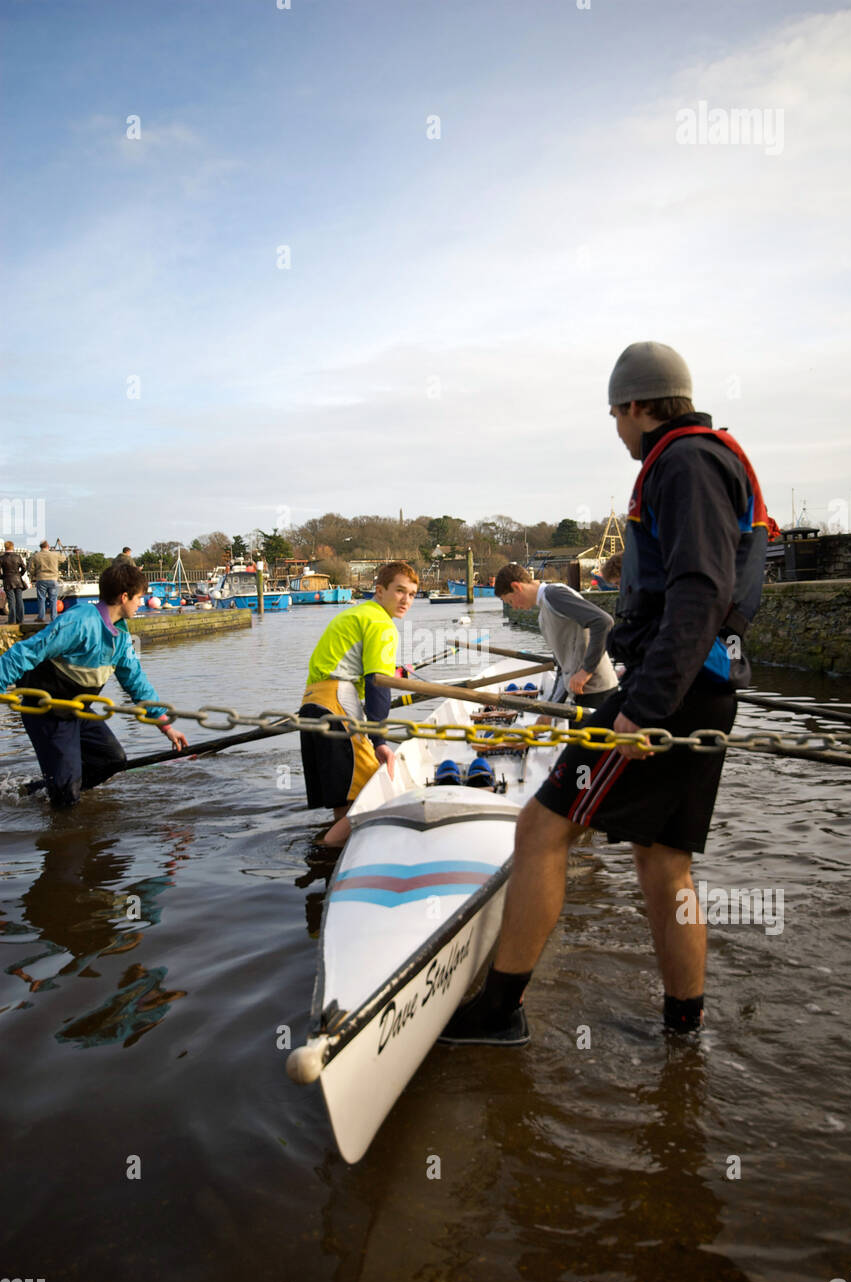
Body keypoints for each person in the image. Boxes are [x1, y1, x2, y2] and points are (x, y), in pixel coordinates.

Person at [440, 341, 770, 1046]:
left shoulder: (681, 461)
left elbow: (699, 591)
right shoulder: (707, 456)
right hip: (706, 686)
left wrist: (642, 710)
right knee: (662, 863)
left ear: (635, 405)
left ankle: (499, 1015)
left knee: (541, 829)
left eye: (616, 414)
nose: (617, 429)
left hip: (668, 693)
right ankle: (684, 1030)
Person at [0, 562, 188, 807]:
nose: (141, 603)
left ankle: (42, 791)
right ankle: (62, 801)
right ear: (124, 597)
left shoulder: (120, 637)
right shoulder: (79, 622)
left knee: (112, 760)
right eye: (139, 598)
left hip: (78, 710)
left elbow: (136, 682)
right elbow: (25, 652)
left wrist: (165, 726)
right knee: (67, 792)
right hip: (47, 712)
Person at [299, 561, 418, 846]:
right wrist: (378, 740)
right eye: (399, 591)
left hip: (311, 704)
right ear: (380, 590)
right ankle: (324, 852)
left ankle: (331, 858)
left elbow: (355, 669)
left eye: (412, 594)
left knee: (346, 797)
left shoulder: (356, 613)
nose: (406, 600)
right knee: (373, 792)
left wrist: (392, 673)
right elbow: (378, 684)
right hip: (338, 702)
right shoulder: (382, 624)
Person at [494, 563, 618, 711]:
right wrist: (551, 710)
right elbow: (562, 667)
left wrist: (586, 672)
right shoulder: (543, 617)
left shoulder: (554, 595)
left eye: (510, 601)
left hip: (599, 693)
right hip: (580, 695)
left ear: (516, 587)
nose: (514, 607)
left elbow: (603, 622)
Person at [28, 540, 62, 623]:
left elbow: (30, 569)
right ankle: (54, 617)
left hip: (41, 579)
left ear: (40, 547)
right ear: (48, 546)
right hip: (53, 579)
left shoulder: (36, 556)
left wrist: (35, 575)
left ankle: (41, 617)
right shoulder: (54, 555)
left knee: (41, 598)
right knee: (53, 599)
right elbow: (63, 559)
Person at [2, 540, 27, 626]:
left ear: (5, 547)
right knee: (19, 600)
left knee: (11, 601)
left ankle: (12, 620)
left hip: (8, 581)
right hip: (18, 581)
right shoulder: (18, 557)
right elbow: (24, 568)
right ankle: (20, 619)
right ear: (12, 547)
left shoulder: (2, 558)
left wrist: (3, 577)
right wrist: (19, 575)